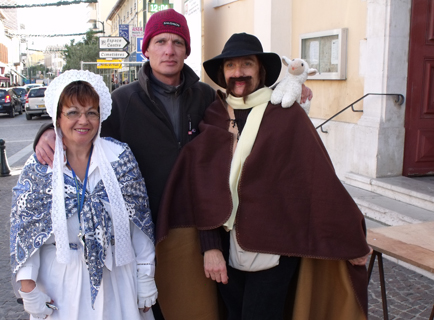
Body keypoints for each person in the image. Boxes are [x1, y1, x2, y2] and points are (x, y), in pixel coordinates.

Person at [33, 12, 312, 320]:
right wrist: (49, 131)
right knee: (152, 310)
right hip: (145, 231)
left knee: (204, 309)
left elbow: (246, 111)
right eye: (161, 41)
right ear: (146, 49)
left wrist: (289, 96)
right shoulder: (123, 101)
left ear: (187, 50)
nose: (170, 50)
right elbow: (83, 129)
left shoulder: (206, 96)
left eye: (178, 42)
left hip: (200, 229)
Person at [156, 33, 372, 320]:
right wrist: (210, 248)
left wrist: (351, 237)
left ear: (260, 71)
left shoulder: (285, 115)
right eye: (231, 66)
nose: (239, 73)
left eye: (247, 64)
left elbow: (317, 177)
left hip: (276, 247)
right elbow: (204, 187)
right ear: (223, 73)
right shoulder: (215, 115)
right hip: (224, 248)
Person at [10, 70, 157, 320]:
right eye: (73, 112)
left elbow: (139, 224)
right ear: (57, 118)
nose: (83, 121)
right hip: (62, 284)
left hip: (118, 280)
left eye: (91, 112)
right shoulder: (40, 168)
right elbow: (26, 234)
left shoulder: (120, 158)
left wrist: (145, 276)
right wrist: (28, 289)